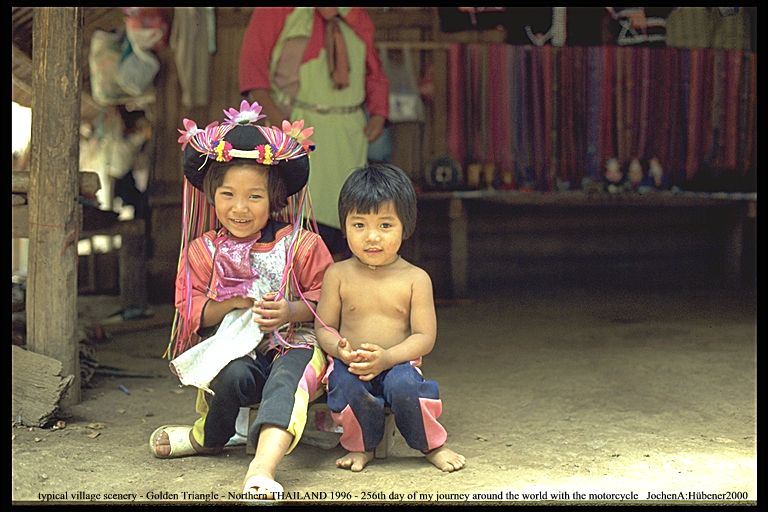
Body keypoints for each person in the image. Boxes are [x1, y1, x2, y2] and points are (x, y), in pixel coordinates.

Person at [149, 100, 333, 500]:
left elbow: (331, 301)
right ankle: (207, 437)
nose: (239, 208)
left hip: (296, 345)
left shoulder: (301, 245)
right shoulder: (203, 252)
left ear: (275, 198)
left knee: (287, 379)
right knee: (228, 376)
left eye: (254, 197)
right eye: (228, 194)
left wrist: (290, 311)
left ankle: (262, 467)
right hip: (238, 351)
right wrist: (231, 304)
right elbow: (190, 310)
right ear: (211, 196)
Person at [314, 163, 466, 473]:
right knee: (344, 386)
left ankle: (431, 445)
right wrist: (339, 348)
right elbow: (324, 327)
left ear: (405, 226)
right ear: (344, 226)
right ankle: (362, 446)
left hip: (397, 363)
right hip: (352, 364)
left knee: (408, 388)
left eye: (385, 225)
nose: (372, 237)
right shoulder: (337, 275)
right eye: (359, 225)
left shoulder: (415, 279)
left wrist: (387, 358)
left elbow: (424, 337)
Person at [239, 7, 389, 261]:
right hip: (298, 131)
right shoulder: (275, 10)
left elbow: (374, 69)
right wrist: (282, 124)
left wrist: (378, 112)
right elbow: (252, 72)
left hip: (349, 136)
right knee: (299, 228)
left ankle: (338, 283)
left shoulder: (354, 13)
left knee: (348, 224)